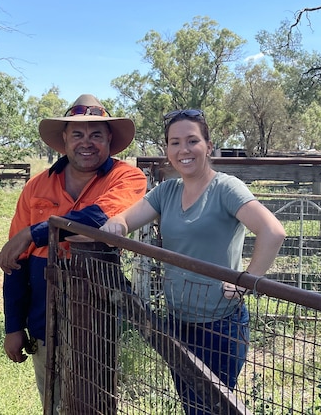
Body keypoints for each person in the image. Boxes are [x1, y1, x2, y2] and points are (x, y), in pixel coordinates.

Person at [99, 109, 286, 414]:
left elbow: (273, 231)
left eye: (192, 141)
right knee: (192, 405)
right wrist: (115, 224)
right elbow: (125, 219)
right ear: (167, 150)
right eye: (175, 143)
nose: (183, 150)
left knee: (209, 408)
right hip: (178, 321)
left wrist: (247, 281)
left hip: (220, 325)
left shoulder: (226, 188)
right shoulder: (167, 192)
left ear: (208, 146)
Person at [0, 94, 147, 411]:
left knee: (95, 400)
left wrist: (35, 232)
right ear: (64, 139)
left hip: (96, 318)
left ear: (109, 140)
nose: (86, 143)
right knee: (52, 399)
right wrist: (12, 327)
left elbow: (98, 220)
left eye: (96, 134)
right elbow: (15, 263)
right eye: (77, 134)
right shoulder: (36, 187)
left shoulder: (126, 177)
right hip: (42, 319)